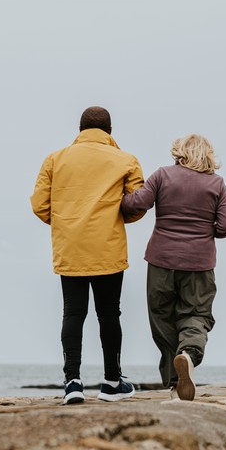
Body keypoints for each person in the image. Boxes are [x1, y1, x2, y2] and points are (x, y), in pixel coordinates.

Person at [30, 106, 147, 405]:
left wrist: (66, 223)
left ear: (80, 130)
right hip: (108, 246)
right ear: (110, 131)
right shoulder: (126, 160)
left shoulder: (55, 159)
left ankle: (72, 382)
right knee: (109, 314)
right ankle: (112, 382)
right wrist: (115, 220)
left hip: (70, 246)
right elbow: (138, 204)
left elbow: (40, 205)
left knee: (73, 313)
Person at [121, 133, 226, 401]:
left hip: (161, 260)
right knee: (196, 314)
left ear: (179, 152)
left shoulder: (162, 175)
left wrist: (118, 197)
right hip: (199, 263)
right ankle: (188, 354)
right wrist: (205, 233)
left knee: (163, 318)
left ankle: (175, 385)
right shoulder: (217, 183)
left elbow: (137, 203)